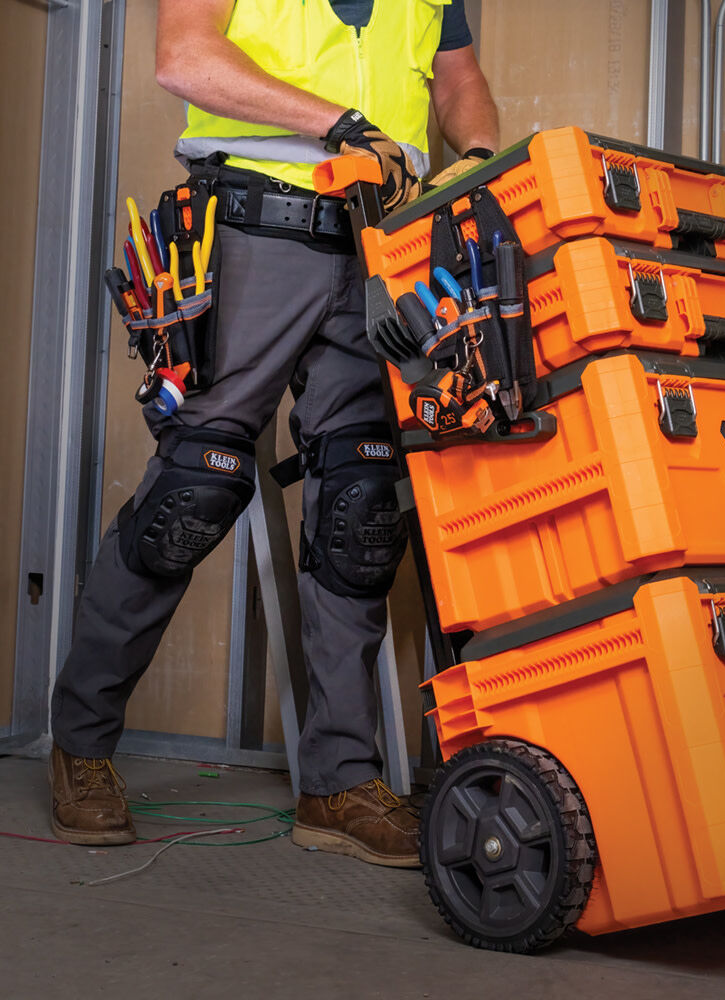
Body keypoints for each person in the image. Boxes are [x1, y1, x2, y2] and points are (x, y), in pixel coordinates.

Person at [47, 0, 500, 869]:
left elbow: (459, 82)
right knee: (193, 492)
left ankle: (339, 783)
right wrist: (340, 125)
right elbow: (184, 57)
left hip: (380, 249)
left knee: (363, 508)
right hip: (255, 228)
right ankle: (81, 744)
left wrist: (477, 154)